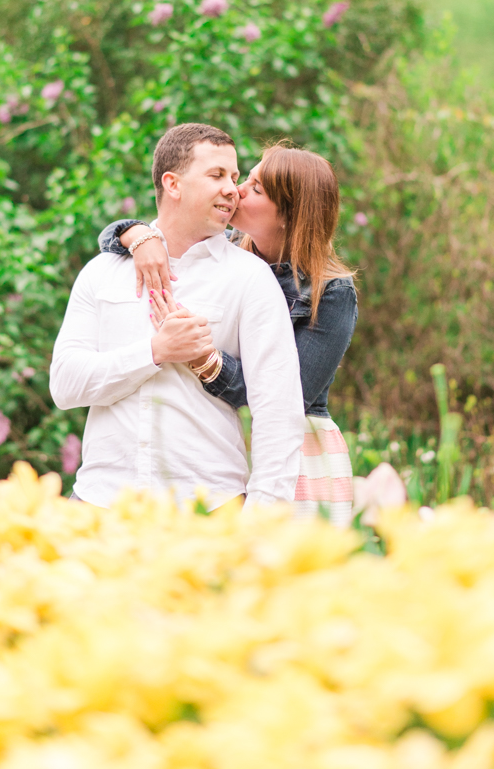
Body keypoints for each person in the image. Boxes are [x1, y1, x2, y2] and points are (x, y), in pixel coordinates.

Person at [50, 123, 305, 510]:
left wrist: (261, 520)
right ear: (173, 184)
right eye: (217, 175)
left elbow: (278, 410)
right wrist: (155, 352)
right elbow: (66, 386)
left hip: (209, 508)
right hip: (100, 505)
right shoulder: (102, 273)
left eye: (235, 178)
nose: (233, 190)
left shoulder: (251, 279)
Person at [99, 144, 358, 526]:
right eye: (244, 179)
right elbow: (111, 238)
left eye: (255, 189)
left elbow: (285, 398)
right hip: (223, 444)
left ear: (288, 214)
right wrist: (138, 236)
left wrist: (203, 358)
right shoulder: (227, 258)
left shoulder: (330, 293)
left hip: (296, 452)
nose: (236, 190)